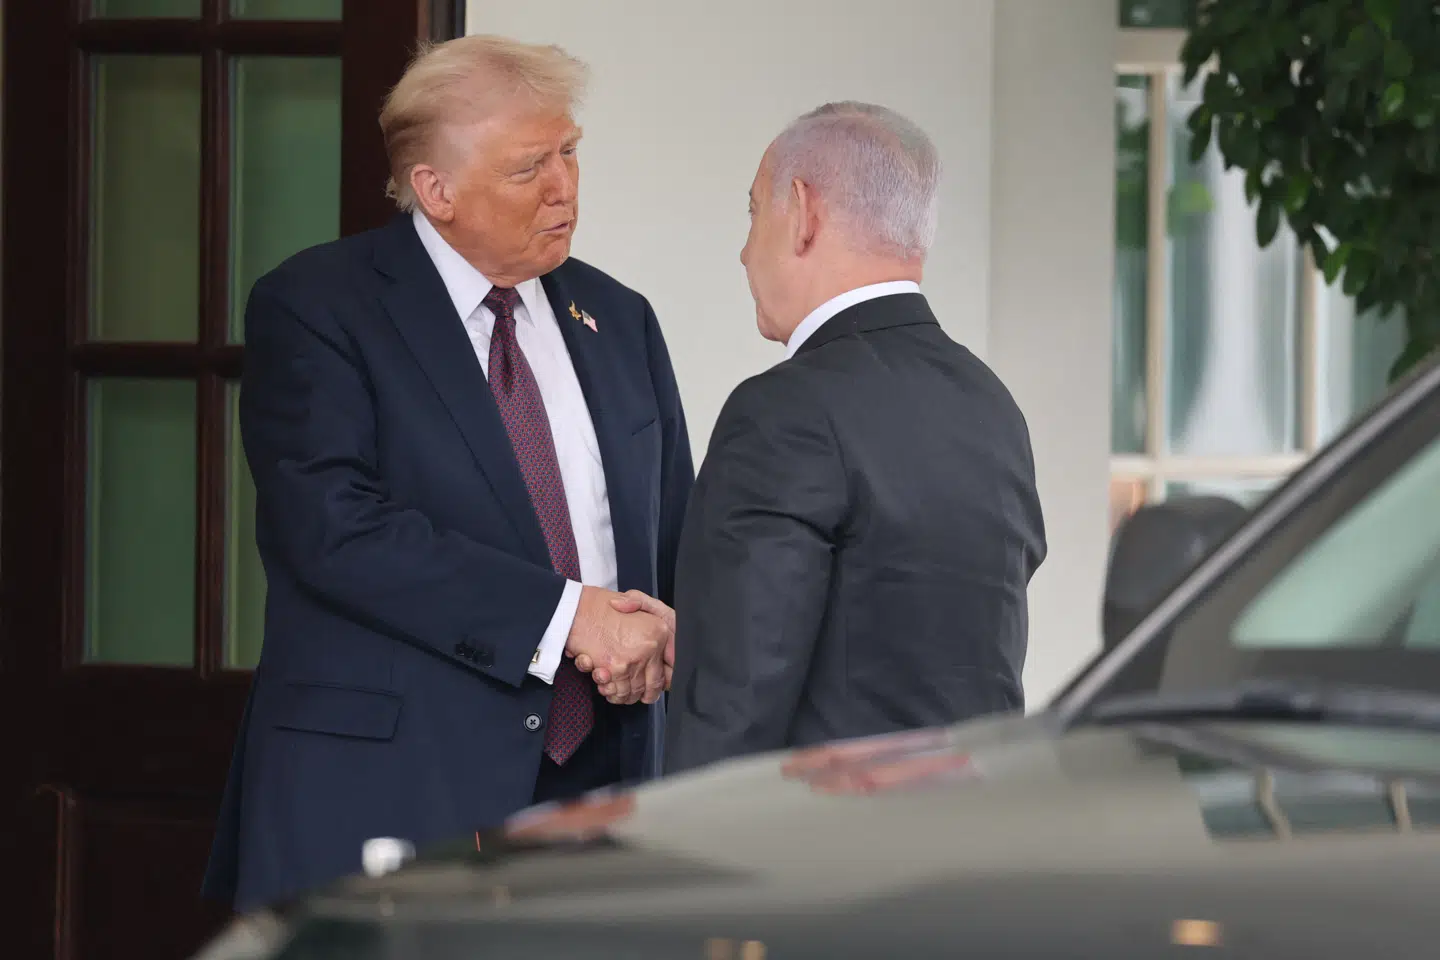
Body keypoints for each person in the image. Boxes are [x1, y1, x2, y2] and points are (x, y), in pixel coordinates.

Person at [203, 35, 692, 910]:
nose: (564, 186)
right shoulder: (318, 307)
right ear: (436, 190)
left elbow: (670, 528)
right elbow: (333, 529)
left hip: (603, 790)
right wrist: (568, 618)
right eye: (528, 167)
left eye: (570, 151)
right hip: (398, 792)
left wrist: (657, 640)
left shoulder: (618, 318)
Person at [636, 101, 1046, 774]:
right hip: (975, 818)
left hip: (823, 832)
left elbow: (736, 712)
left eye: (753, 213)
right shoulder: (990, 404)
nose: (744, 251)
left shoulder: (784, 412)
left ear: (803, 212)